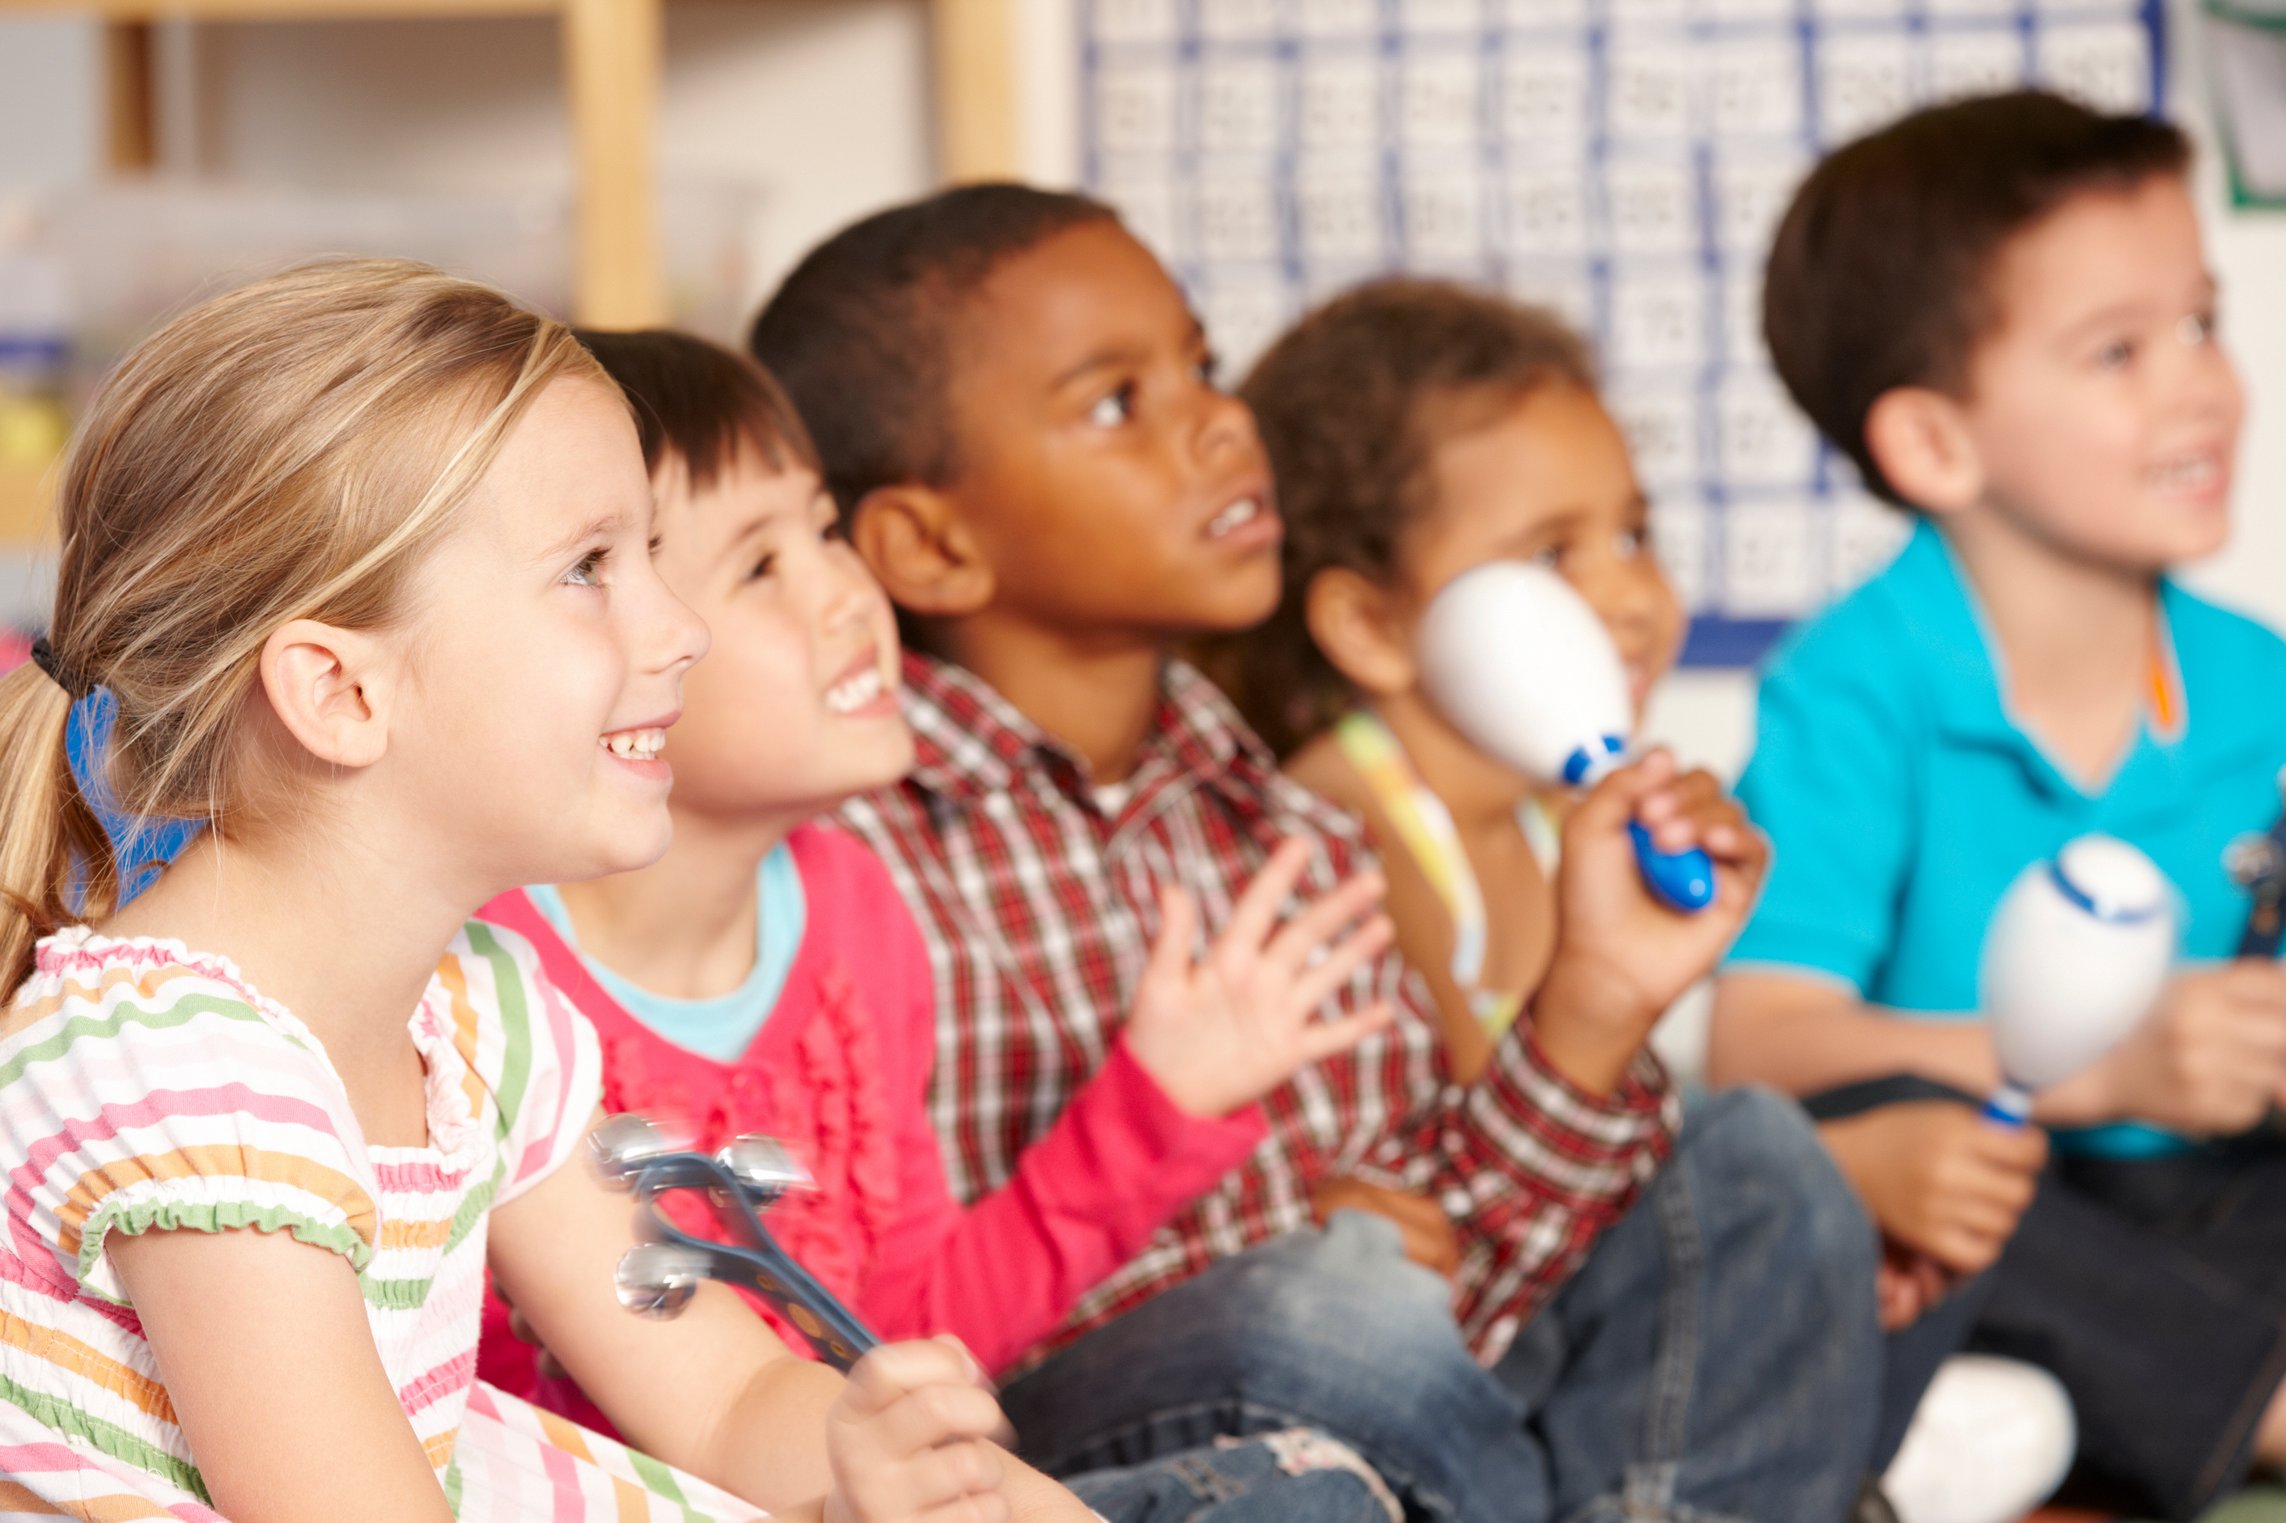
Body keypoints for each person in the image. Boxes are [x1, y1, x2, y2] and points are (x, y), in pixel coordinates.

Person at [750, 184, 1886, 1523]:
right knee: (1321, 1307)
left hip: (1385, 1406)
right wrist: (1296, 1251)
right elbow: (875, 1330)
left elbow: (1454, 1271)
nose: (1220, 422)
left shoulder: (1278, 824)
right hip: (1072, 1446)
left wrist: (1595, 997)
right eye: (1118, 401)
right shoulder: (846, 849)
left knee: (1745, 1162)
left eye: (1203, 368)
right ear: (933, 545)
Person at [0, 258, 1092, 1523]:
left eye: (655, 557)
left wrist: (860, 1452)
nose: (678, 626)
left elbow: (723, 1400)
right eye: (590, 567)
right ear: (342, 694)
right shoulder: (180, 1074)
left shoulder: (478, 1016)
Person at [477, 328, 1403, 1523]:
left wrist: (1153, 1104)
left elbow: (901, 1331)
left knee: (1305, 1492)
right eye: (761, 565)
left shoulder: (854, 908)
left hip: (839, 1487)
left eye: (822, 529)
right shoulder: (489, 962)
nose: (846, 590)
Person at [1708, 90, 2286, 1521]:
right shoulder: (1852, 685)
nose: (2201, 388)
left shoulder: (2253, 678)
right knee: (1848, 1166)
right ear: (1934, 446)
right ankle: (2237, 1407)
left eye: (2201, 324)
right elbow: (1752, 1043)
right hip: (2000, 1190)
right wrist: (2102, 1068)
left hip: (2210, 1206)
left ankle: (2060, 1423)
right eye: (2117, 351)